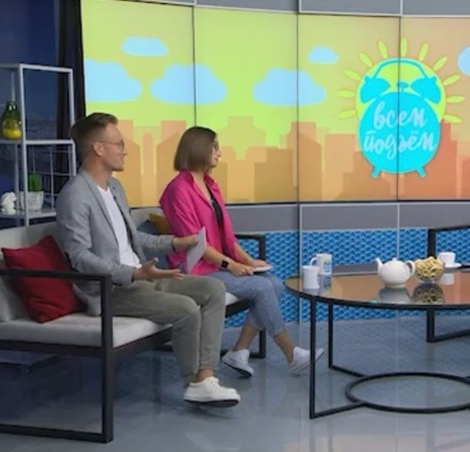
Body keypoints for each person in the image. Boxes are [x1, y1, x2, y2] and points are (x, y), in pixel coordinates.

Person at [57, 112, 240, 406]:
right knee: (186, 309)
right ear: (98, 148)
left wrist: (176, 243)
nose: (125, 150)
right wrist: (132, 274)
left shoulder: (115, 188)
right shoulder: (75, 195)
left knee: (214, 289)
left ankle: (206, 377)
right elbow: (79, 256)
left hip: (143, 278)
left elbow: (133, 238)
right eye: (119, 144)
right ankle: (193, 382)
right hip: (112, 290)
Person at [159, 126, 323, 378]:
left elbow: (226, 235)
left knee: (274, 284)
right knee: (262, 288)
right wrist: (231, 266)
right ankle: (291, 354)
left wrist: (248, 261)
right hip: (195, 269)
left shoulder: (211, 186)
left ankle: (239, 350)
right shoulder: (178, 190)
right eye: (215, 147)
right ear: (199, 149)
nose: (219, 153)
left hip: (216, 264)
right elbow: (195, 243)